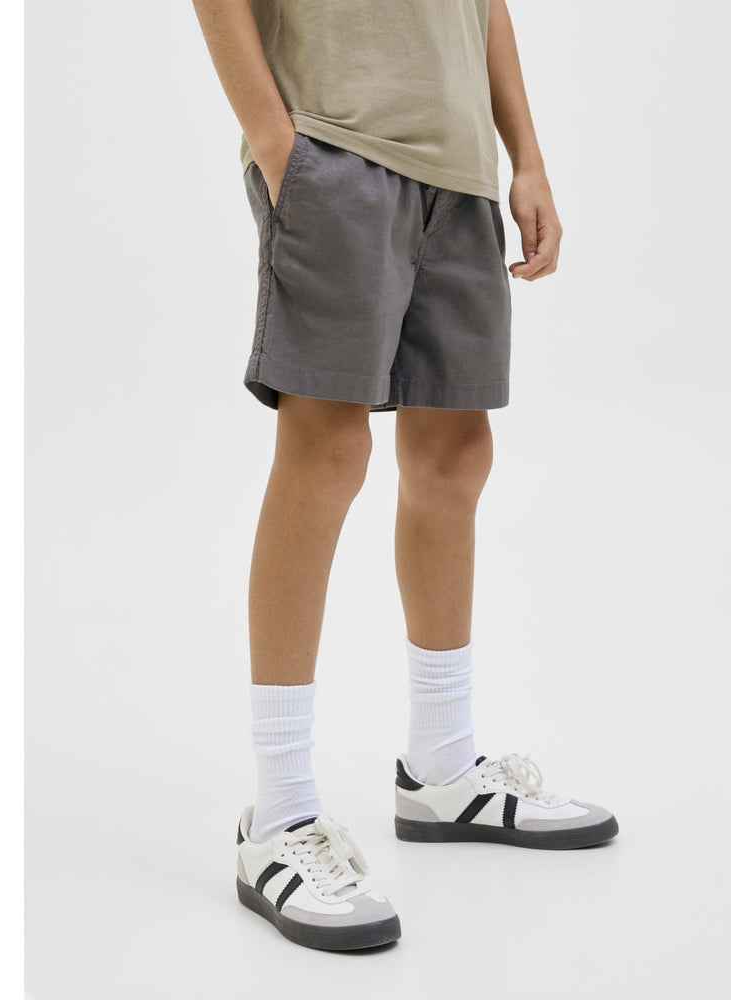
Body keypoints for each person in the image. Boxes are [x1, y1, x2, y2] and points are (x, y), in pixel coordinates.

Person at [191, 0, 618, 951]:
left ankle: (442, 769)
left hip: (459, 173)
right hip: (336, 148)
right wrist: (277, 143)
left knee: (456, 454)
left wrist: (527, 159)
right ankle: (279, 815)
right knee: (327, 451)